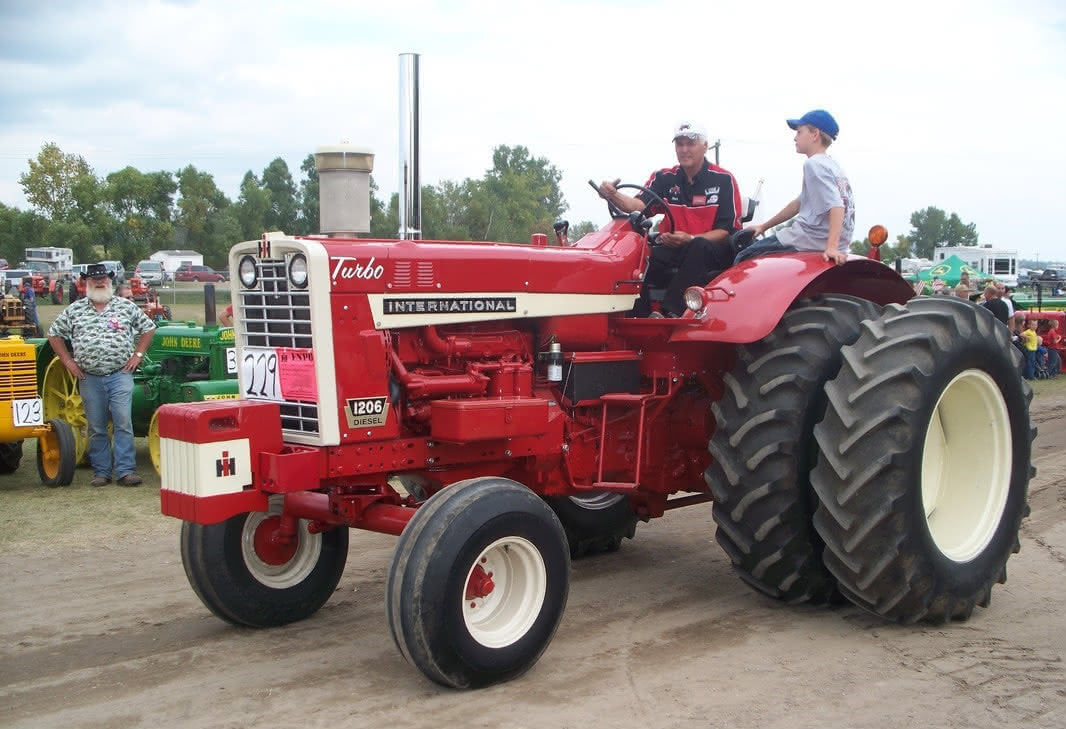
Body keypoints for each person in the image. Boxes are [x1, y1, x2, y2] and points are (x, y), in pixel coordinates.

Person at [598, 121, 742, 317]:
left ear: (705, 146)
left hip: (710, 249)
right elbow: (638, 207)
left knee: (699, 246)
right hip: (675, 247)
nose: (684, 150)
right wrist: (612, 195)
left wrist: (690, 238)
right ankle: (635, 315)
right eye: (679, 144)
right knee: (640, 254)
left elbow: (727, 231)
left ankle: (670, 312)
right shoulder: (665, 178)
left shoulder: (723, 180)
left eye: (690, 144)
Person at [47, 263, 156, 487]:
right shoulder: (75, 310)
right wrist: (68, 361)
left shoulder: (125, 307)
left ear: (110, 282)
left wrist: (138, 354)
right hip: (89, 377)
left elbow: (148, 328)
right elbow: (54, 334)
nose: (99, 282)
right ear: (86, 283)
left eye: (103, 280)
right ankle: (102, 472)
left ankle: (126, 471)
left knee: (123, 422)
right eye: (94, 280)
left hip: (120, 374)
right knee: (96, 426)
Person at [737, 109, 854, 266]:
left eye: (799, 132)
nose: (795, 138)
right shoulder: (832, 165)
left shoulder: (814, 164)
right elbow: (798, 204)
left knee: (743, 257)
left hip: (808, 239)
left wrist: (831, 248)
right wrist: (764, 226)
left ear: (815, 135)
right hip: (837, 242)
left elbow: (836, 206)